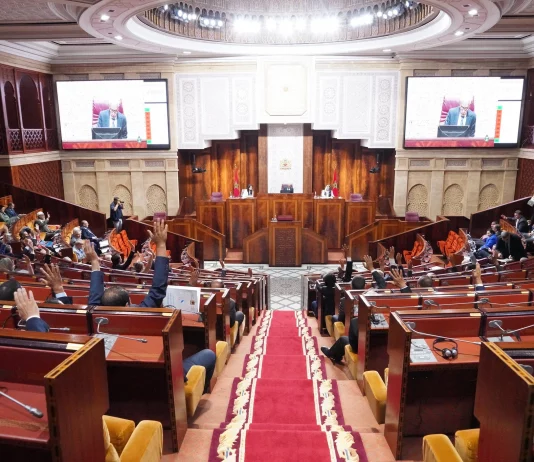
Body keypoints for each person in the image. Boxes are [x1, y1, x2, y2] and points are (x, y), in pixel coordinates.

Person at [87, 219, 168, 308]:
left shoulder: (94, 314)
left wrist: (94, 261)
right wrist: (161, 244)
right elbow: (157, 291)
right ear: (127, 305)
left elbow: (94, 302)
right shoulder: (139, 314)